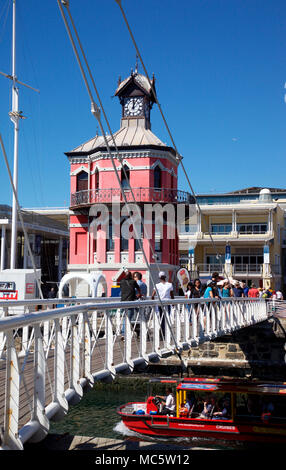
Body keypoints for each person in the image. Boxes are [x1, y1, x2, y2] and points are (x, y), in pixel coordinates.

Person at [120, 270, 141, 336]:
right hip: (130, 301)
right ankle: (124, 332)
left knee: (124, 317)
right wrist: (139, 294)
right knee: (128, 317)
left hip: (122, 301)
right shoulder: (133, 281)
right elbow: (138, 288)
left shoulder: (122, 281)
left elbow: (121, 289)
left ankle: (124, 331)